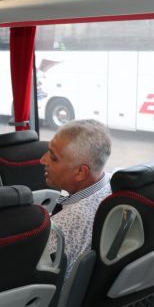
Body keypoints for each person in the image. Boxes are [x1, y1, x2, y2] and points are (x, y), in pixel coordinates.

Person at [40, 119, 112, 279]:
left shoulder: (60, 230)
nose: (42, 160)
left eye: (53, 157)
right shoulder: (113, 184)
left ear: (81, 172)